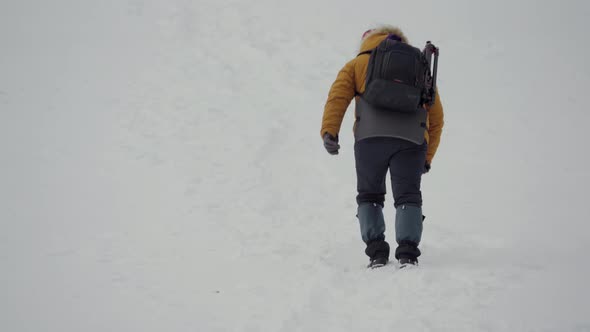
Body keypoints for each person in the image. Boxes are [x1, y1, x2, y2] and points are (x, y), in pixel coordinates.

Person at [320, 25, 444, 268]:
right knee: (408, 195)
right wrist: (427, 157)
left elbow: (337, 98)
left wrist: (329, 132)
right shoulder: (418, 66)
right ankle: (408, 253)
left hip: (369, 139)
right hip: (411, 142)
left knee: (370, 195)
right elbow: (437, 117)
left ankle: (376, 252)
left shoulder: (357, 65)